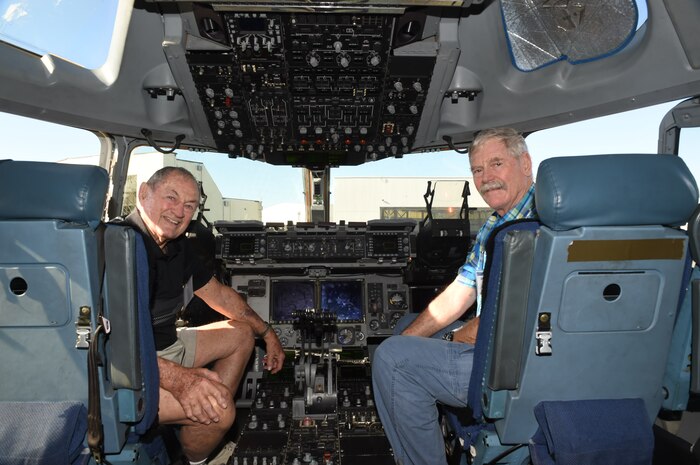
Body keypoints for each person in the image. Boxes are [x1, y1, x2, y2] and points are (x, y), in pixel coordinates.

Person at [371, 127, 536, 465]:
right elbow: (460, 292)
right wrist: (408, 339)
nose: (486, 178)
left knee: (394, 362)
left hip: (522, 362)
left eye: (496, 164)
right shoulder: (497, 224)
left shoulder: (543, 224)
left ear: (525, 163)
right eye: (478, 170)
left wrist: (448, 337)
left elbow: (514, 318)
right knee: (405, 330)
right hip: (509, 342)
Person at [123, 166, 286, 465]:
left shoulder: (177, 245)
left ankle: (201, 424)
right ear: (144, 193)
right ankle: (199, 458)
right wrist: (183, 382)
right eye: (171, 198)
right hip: (131, 368)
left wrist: (267, 333)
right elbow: (117, 348)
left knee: (240, 332)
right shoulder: (120, 248)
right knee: (221, 409)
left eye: (189, 206)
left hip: (164, 345)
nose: (178, 212)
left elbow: (220, 295)